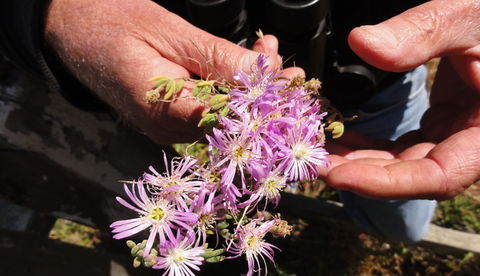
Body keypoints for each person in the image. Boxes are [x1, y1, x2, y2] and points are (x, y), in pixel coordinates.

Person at [1, 0, 479, 242]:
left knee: (404, 223)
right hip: (197, 81)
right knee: (262, 179)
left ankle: (363, 226)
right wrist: (53, 11)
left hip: (381, 91)